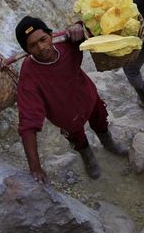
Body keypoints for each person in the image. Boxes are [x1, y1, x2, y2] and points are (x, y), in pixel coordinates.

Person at [14, 16, 127, 183]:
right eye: (32, 45)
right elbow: (28, 123)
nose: (42, 47)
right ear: (27, 50)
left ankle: (109, 144)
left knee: (101, 122)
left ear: (50, 35)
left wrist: (79, 26)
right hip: (67, 118)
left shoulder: (66, 44)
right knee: (78, 140)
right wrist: (35, 167)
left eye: (43, 39)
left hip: (89, 98)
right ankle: (88, 158)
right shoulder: (29, 75)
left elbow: (96, 26)